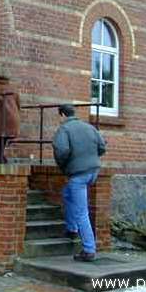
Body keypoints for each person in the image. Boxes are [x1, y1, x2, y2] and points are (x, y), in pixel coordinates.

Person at [52, 104, 106, 262]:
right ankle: (71, 228)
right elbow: (102, 147)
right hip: (93, 171)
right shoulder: (89, 127)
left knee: (81, 212)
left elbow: (62, 151)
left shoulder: (64, 129)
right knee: (67, 193)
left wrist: (63, 166)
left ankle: (89, 249)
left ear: (62, 115)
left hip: (78, 174)